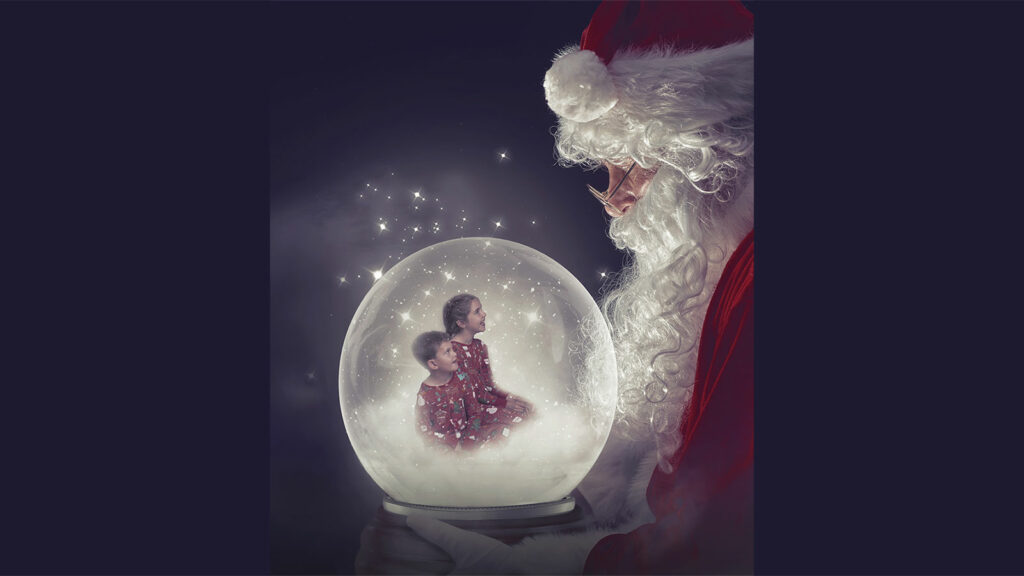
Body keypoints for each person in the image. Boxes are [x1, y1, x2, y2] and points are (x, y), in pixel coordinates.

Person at [408, 1, 754, 573]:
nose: (615, 204)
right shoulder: (721, 274)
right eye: (606, 174)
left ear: (709, 151)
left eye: (632, 168)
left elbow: (726, 543)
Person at [442, 293, 534, 424]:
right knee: (519, 420)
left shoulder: (480, 346)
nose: (484, 314)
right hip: (467, 414)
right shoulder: (452, 352)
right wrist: (506, 404)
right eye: (477, 311)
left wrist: (512, 398)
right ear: (461, 323)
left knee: (529, 410)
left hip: (486, 404)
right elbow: (473, 395)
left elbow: (489, 386)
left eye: (482, 309)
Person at [411, 331, 506, 450]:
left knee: (501, 431)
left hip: (468, 438)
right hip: (444, 447)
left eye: (452, 349)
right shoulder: (425, 394)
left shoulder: (462, 379)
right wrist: (446, 446)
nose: (454, 354)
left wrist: (467, 441)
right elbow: (422, 429)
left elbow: (474, 412)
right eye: (447, 352)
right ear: (434, 364)